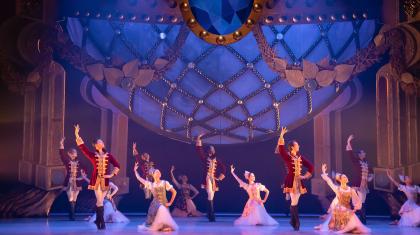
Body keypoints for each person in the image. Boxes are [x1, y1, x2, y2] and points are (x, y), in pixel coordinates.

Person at [74, 124, 120, 230]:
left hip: (106, 181)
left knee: (100, 201)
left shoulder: (109, 155)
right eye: (99, 142)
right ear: (95, 145)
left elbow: (117, 165)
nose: (101, 142)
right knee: (99, 200)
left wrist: (111, 174)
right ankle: (102, 222)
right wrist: (77, 134)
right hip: (96, 181)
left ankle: (98, 220)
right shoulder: (92, 155)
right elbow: (82, 148)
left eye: (102, 141)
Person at [275, 127, 314, 231]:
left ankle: (293, 221)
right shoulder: (288, 157)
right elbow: (281, 149)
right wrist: (282, 135)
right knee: (294, 201)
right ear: (292, 147)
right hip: (290, 181)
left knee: (295, 201)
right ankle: (296, 222)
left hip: (299, 182)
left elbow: (311, 166)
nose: (299, 146)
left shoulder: (300, 157)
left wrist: (305, 176)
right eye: (297, 145)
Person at [315, 164, 371, 234]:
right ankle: (343, 228)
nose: (346, 178)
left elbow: (356, 200)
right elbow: (329, 182)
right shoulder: (337, 189)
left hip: (347, 209)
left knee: (354, 219)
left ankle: (347, 228)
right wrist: (324, 172)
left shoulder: (351, 190)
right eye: (344, 177)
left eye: (346, 177)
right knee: (338, 220)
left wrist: (355, 208)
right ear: (340, 180)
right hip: (339, 210)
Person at [134, 162, 178, 232]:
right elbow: (139, 178)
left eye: (159, 172)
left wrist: (170, 203)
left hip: (163, 204)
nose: (158, 173)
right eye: (156, 172)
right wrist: (135, 170)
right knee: (154, 223)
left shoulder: (164, 182)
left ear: (160, 175)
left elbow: (174, 192)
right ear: (153, 175)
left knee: (165, 225)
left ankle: (162, 226)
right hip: (155, 205)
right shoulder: (151, 184)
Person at [195, 133, 226, 222]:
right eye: (210, 150)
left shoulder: (217, 159)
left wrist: (219, 177)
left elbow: (224, 168)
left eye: (212, 150)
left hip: (213, 180)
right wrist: (198, 138)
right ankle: (211, 215)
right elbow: (199, 150)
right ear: (208, 151)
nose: (211, 151)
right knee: (210, 194)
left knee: (211, 196)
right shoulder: (205, 158)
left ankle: (209, 214)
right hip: (207, 179)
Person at [346, 134, 373, 224]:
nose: (365, 153)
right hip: (357, 184)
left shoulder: (367, 163)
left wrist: (370, 177)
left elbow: (371, 172)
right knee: (359, 202)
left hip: (364, 186)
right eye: (363, 152)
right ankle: (362, 219)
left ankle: (362, 219)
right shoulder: (357, 161)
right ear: (360, 154)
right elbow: (350, 154)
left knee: (363, 202)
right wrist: (348, 141)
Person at [59, 137, 85, 220]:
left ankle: (72, 215)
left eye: (75, 153)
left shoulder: (79, 162)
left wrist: (82, 176)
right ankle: (72, 216)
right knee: (70, 197)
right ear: (69, 154)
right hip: (69, 182)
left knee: (75, 198)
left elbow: (85, 169)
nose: (75, 154)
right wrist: (61, 144)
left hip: (77, 182)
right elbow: (62, 155)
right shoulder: (67, 161)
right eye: (73, 153)